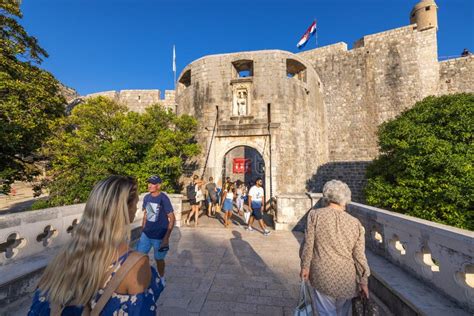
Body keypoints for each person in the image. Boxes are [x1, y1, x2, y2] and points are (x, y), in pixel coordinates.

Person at [28, 175, 164, 315]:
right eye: (135, 203)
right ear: (125, 208)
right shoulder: (134, 265)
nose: (136, 209)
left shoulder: (63, 257)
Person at [300, 180, 370, 316]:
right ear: (346, 198)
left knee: (325, 312)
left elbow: (308, 245)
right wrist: (363, 281)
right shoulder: (355, 223)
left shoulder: (315, 215)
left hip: (322, 274)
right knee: (342, 313)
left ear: (327, 195)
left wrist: (305, 266)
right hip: (346, 278)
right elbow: (359, 256)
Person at [137, 175, 175, 284]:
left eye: (152, 183)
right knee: (140, 257)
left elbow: (172, 218)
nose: (149, 185)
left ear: (158, 186)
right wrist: (142, 230)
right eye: (148, 183)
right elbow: (146, 214)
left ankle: (161, 277)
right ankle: (144, 277)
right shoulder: (146, 197)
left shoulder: (163, 198)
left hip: (159, 236)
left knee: (159, 259)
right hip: (146, 235)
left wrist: (166, 238)